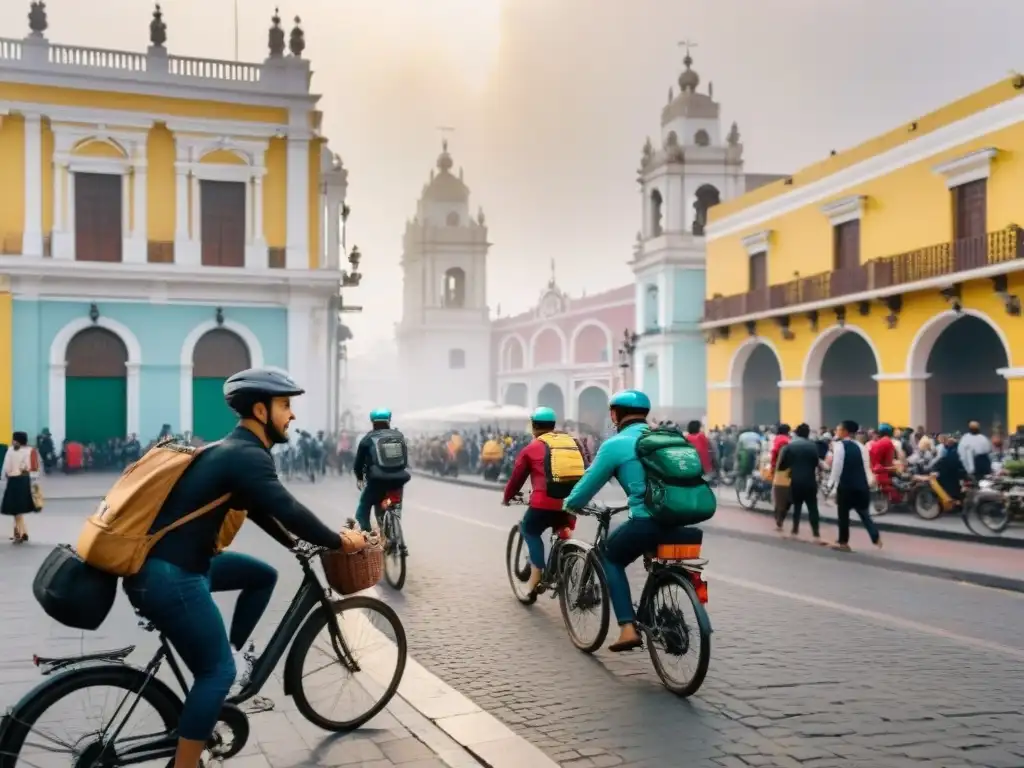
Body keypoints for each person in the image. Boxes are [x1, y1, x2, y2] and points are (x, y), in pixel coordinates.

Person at [123, 368, 348, 768]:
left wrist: (293, 543)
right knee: (216, 673)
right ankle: (187, 762)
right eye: (285, 406)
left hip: (168, 569)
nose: (291, 416)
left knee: (262, 576)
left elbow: (257, 506)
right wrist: (340, 540)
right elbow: (287, 507)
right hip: (172, 578)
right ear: (260, 410)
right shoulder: (246, 455)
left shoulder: (230, 450)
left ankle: (228, 655)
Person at [563, 389, 699, 653]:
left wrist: (569, 505)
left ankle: (627, 627)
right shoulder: (669, 438)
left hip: (647, 521)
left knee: (610, 557)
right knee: (655, 559)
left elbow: (588, 484)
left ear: (615, 414)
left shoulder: (615, 445)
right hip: (683, 520)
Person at [501, 407, 584, 594]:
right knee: (563, 525)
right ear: (553, 425)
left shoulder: (532, 448)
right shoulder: (571, 443)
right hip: (571, 502)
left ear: (533, 426)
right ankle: (566, 550)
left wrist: (507, 497)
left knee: (530, 529)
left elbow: (516, 479)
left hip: (543, 503)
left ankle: (536, 575)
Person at [353, 408, 412, 534]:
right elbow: (405, 461)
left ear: (373, 422)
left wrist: (359, 477)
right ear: (389, 421)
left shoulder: (368, 439)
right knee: (395, 506)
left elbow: (358, 462)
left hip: (377, 482)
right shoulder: (399, 436)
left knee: (363, 508)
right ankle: (395, 530)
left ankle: (367, 535)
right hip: (398, 481)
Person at [828, 419, 881, 552]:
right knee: (864, 514)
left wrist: (831, 484)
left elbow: (837, 467)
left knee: (843, 515)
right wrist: (869, 481)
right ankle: (876, 538)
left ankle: (843, 542)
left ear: (845, 431)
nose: (837, 431)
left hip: (846, 487)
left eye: (839, 429)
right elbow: (866, 466)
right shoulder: (861, 446)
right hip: (862, 486)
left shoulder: (839, 446)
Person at [776, 423, 824, 542]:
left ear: (796, 433)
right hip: (810, 480)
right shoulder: (813, 446)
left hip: (796, 480)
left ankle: (794, 531)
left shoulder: (790, 446)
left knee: (797, 506)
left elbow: (781, 465)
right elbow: (816, 463)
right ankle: (816, 534)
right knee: (813, 508)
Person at [2, 431, 39, 543]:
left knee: (15, 509)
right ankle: (24, 532)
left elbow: (6, 468)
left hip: (14, 481)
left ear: (16, 440)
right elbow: (34, 467)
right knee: (19, 508)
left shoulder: (11, 450)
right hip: (25, 480)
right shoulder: (31, 450)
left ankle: (17, 533)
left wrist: (5, 476)